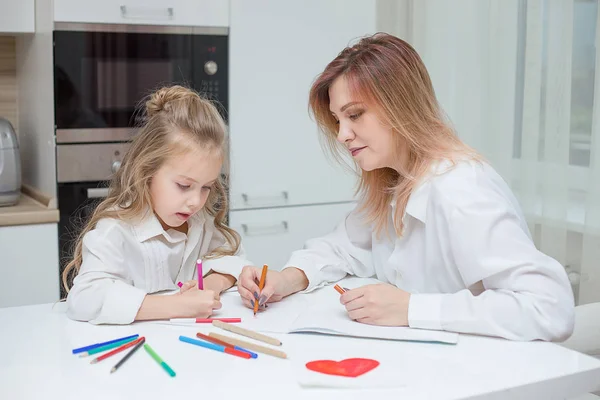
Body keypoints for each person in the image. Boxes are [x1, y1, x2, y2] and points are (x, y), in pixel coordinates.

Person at [236, 33, 575, 341]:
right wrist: (286, 279)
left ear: (401, 104)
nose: (342, 134)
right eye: (338, 120)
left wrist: (412, 309)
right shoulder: (395, 180)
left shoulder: (461, 187)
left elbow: (548, 307)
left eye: (355, 115)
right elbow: (341, 247)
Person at [64, 85, 252, 324]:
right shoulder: (116, 230)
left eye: (206, 187)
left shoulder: (200, 222)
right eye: (184, 185)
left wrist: (213, 285)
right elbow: (83, 300)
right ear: (147, 171)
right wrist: (176, 306)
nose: (196, 201)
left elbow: (234, 259)